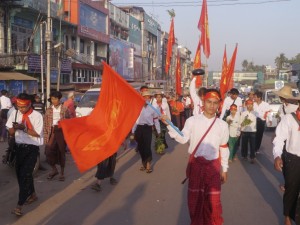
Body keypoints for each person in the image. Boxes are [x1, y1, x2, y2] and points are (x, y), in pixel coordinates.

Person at [162, 89, 229, 225]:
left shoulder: (222, 125)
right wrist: (170, 125)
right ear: (203, 102)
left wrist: (225, 169)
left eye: (215, 103)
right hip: (196, 166)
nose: (212, 105)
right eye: (209, 102)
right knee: (195, 201)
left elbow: (223, 147)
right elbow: (182, 138)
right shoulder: (192, 121)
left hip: (213, 167)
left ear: (219, 105)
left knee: (213, 203)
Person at [6, 93, 43, 216]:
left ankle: (19, 205)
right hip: (18, 148)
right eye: (19, 106)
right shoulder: (14, 113)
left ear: (29, 104)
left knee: (25, 176)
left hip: (32, 149)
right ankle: (32, 194)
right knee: (20, 175)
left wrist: (24, 128)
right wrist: (14, 128)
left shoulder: (37, 116)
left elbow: (38, 134)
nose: (21, 109)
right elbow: (10, 132)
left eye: (23, 107)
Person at [273, 96, 300, 225]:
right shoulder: (289, 118)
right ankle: (287, 215)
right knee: (291, 190)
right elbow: (279, 138)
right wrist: (277, 155)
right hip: (293, 160)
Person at [44, 91, 70, 181]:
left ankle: (62, 173)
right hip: (51, 131)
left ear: (59, 99)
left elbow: (69, 122)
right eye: (52, 99)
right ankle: (54, 169)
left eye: (55, 99)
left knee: (61, 152)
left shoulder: (65, 109)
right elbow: (46, 123)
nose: (53, 101)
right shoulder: (48, 109)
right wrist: (46, 135)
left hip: (61, 132)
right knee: (48, 151)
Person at [132, 91, 160, 173]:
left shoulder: (153, 108)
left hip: (148, 129)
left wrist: (158, 131)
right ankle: (143, 162)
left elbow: (156, 120)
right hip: (139, 129)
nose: (147, 98)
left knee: (147, 147)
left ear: (150, 98)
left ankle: (148, 165)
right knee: (141, 147)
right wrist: (133, 131)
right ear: (142, 98)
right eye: (145, 97)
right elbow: (135, 120)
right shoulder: (138, 107)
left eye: (148, 97)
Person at [239, 99, 257, 163]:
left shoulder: (255, 113)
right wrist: (240, 129)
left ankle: (252, 157)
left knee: (252, 145)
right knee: (244, 144)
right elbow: (241, 122)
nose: (249, 106)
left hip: (253, 131)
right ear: (246, 105)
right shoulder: (243, 113)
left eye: (251, 104)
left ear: (253, 105)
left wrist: (246, 121)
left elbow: (251, 120)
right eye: (248, 104)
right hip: (245, 131)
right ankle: (244, 156)